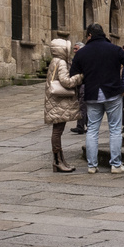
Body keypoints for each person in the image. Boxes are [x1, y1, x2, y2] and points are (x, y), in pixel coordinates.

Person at [70, 25, 124, 174]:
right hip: (113, 92)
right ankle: (116, 164)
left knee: (92, 130)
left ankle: (92, 165)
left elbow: (73, 73)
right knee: (114, 130)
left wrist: (85, 79)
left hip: (92, 93)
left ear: (89, 35)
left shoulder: (82, 53)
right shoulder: (114, 49)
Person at [42, 39, 81, 173]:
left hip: (55, 101)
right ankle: (58, 161)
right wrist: (80, 77)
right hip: (59, 102)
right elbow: (67, 82)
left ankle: (60, 160)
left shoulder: (54, 61)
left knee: (57, 130)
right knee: (57, 131)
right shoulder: (62, 62)